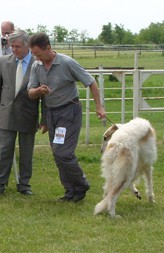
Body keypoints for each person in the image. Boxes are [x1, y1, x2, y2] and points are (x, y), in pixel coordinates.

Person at [27, 32, 106, 202]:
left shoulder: (67, 63)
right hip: (51, 113)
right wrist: (39, 91)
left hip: (69, 112)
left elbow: (91, 82)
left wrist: (99, 107)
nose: (37, 58)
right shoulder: (36, 66)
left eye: (39, 54)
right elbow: (31, 93)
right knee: (57, 153)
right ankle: (71, 191)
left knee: (62, 151)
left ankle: (82, 183)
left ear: (48, 47)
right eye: (35, 55)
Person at [0, 29, 47, 198]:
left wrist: (45, 119)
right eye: (12, 46)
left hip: (28, 114)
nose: (14, 50)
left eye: (18, 46)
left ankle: (24, 184)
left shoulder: (39, 64)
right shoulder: (4, 62)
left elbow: (44, 95)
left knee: (26, 153)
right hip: (6, 114)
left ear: (27, 45)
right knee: (3, 151)